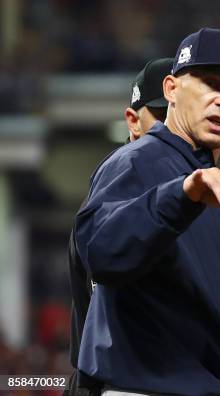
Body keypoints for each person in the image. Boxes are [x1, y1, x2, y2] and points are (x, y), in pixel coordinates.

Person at [74, 28, 220, 396]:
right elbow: (101, 252)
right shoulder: (137, 162)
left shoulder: (208, 187)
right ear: (171, 89)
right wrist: (181, 196)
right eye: (211, 84)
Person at [65, 57, 173, 396]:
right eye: (162, 116)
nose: (173, 127)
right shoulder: (120, 184)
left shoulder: (190, 193)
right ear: (133, 122)